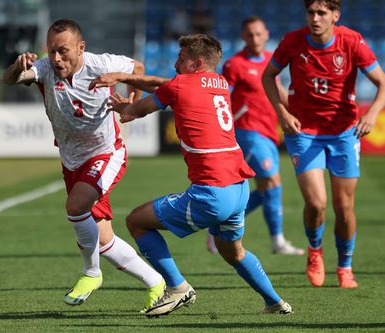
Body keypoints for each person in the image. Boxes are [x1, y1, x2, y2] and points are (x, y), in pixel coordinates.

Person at [91, 34, 293, 317]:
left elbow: (136, 110)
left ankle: (177, 287)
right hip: (239, 188)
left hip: (211, 192)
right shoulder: (219, 82)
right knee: (233, 252)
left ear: (197, 62)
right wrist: (126, 77)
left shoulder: (180, 85)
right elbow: (165, 83)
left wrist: (124, 106)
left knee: (136, 221)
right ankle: (275, 302)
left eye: (181, 58)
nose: (175, 63)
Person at [3, 19, 165, 311]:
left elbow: (138, 69)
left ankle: (91, 273)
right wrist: (18, 65)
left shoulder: (102, 63)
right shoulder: (44, 68)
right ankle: (158, 284)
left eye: (63, 51)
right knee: (104, 240)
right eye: (51, 51)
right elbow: (11, 79)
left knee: (76, 206)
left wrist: (131, 103)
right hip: (71, 159)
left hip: (106, 153)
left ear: (81, 47)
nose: (56, 58)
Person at [262, 0, 385, 288]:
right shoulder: (292, 41)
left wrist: (372, 112)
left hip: (344, 133)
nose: (315, 18)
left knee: (344, 208)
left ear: (335, 15)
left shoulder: (351, 41)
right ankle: (315, 251)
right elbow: (268, 76)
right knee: (316, 204)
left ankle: (345, 266)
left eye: (321, 13)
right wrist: (282, 111)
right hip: (304, 132)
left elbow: (382, 82)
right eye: (310, 12)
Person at [205, 16, 304, 256]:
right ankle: (277, 241)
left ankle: (216, 225)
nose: (255, 38)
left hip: (269, 131)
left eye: (259, 34)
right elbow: (221, 97)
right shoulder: (235, 64)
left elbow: (279, 92)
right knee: (272, 182)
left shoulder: (271, 60)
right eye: (250, 34)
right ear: (243, 36)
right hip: (247, 131)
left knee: (266, 188)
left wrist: (300, 110)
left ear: (267, 34)